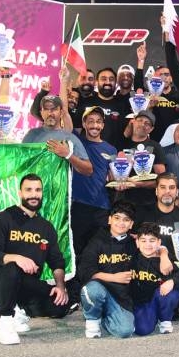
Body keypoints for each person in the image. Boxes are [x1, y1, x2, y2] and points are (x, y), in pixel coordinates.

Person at [0, 174, 69, 345]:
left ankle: (20, 311)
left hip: (27, 283)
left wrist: (60, 286)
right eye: (28, 190)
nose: (33, 194)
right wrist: (16, 258)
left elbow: (56, 261)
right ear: (20, 193)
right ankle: (6, 320)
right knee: (13, 269)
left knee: (60, 305)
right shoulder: (3, 218)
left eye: (37, 190)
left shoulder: (46, 227)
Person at [22, 95, 96, 257]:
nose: (50, 113)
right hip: (31, 200)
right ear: (41, 112)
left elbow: (88, 169)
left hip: (58, 203)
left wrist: (68, 154)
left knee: (55, 244)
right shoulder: (31, 135)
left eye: (54, 109)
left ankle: (56, 280)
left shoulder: (69, 138)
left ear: (61, 112)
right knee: (29, 243)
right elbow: (18, 162)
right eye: (46, 109)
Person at [133, 172, 179, 313]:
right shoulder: (143, 214)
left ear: (177, 192)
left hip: (175, 268)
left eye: (171, 188)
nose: (167, 191)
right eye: (163, 187)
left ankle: (170, 304)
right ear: (156, 190)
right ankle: (157, 304)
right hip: (148, 266)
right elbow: (134, 241)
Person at [78, 201, 137, 339]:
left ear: (131, 224)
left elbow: (153, 247)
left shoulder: (135, 244)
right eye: (117, 218)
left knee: (125, 331)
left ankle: (106, 318)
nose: (121, 223)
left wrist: (163, 253)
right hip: (99, 289)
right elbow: (84, 271)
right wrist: (114, 277)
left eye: (126, 220)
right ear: (109, 219)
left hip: (120, 298)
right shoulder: (97, 240)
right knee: (92, 290)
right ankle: (93, 319)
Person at [73, 106, 115, 253]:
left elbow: (112, 178)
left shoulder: (111, 149)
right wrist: (63, 82)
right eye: (90, 121)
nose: (95, 125)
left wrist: (121, 181)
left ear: (103, 125)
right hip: (79, 205)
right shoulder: (76, 141)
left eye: (98, 121)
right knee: (77, 248)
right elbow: (64, 113)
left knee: (99, 250)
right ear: (84, 124)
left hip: (102, 207)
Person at [130, 222, 179, 336]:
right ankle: (152, 316)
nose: (147, 244)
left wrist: (173, 281)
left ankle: (165, 319)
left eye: (152, 240)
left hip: (158, 297)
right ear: (137, 242)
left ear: (159, 242)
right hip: (141, 302)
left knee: (171, 293)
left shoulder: (165, 260)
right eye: (143, 240)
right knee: (142, 330)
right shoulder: (132, 257)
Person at [114, 108, 167, 210]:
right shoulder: (121, 143)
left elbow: (162, 180)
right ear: (133, 121)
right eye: (140, 120)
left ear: (151, 129)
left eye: (147, 123)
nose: (143, 124)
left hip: (147, 203)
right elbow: (112, 171)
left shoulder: (155, 146)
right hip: (122, 201)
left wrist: (139, 184)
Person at [79, 67, 130, 145]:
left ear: (116, 83)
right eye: (103, 79)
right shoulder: (86, 102)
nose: (108, 82)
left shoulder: (123, 104)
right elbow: (76, 129)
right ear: (96, 82)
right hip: (88, 153)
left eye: (111, 79)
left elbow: (127, 133)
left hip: (114, 154)